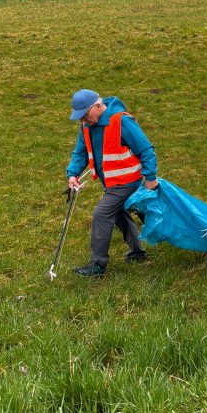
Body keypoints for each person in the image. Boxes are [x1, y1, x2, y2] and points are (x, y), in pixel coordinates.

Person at [66, 89, 159, 277]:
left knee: (101, 214)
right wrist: (73, 174)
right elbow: (80, 152)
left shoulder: (121, 121)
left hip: (127, 181)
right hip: (110, 182)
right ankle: (137, 252)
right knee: (117, 213)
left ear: (99, 106)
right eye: (80, 118)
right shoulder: (87, 126)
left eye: (85, 115)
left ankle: (98, 265)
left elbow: (146, 149)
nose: (83, 121)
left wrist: (150, 177)